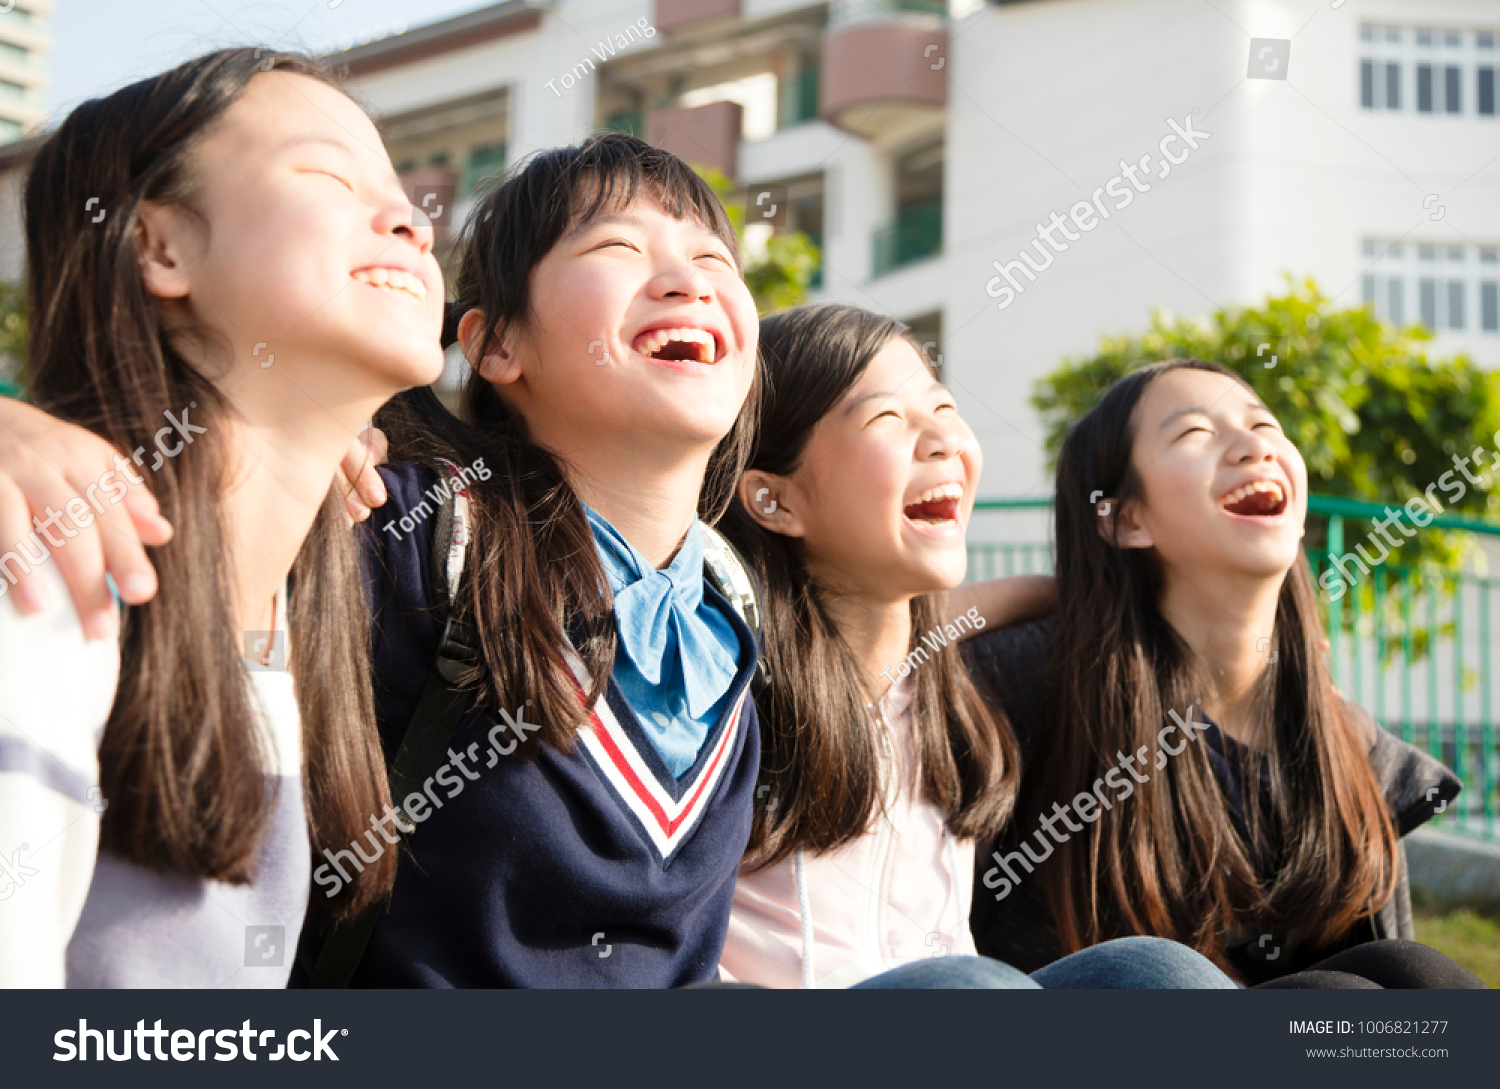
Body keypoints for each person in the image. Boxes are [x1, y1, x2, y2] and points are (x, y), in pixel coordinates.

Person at [0, 47, 446, 986]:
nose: (414, 221)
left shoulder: (296, 621)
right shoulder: (47, 569)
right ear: (160, 247)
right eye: (329, 176)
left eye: (405, 194)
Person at [715, 305, 1235, 989]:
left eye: (944, 408)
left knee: (1159, 972)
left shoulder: (939, 693)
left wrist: (1067, 593)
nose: (944, 440)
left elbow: (939, 625)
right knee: (972, 986)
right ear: (773, 500)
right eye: (886, 418)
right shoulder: (729, 682)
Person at [966, 359, 1484, 988]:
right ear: (1127, 519)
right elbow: (868, 652)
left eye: (1264, 425)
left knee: (1410, 973)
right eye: (1195, 433)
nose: (1253, 446)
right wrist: (1039, 592)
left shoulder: (1350, 748)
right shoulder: (1024, 681)